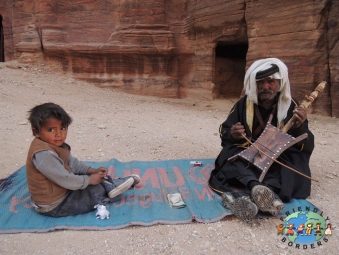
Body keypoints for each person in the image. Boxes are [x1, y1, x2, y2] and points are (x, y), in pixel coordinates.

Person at [208, 58, 314, 221]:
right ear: (254, 84)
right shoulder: (243, 104)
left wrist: (300, 127)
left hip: (277, 156)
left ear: (279, 83)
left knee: (296, 166)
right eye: (261, 82)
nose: (265, 87)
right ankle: (256, 188)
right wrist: (233, 133)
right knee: (228, 155)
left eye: (270, 81)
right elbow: (225, 131)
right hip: (250, 155)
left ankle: (254, 197)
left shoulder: (291, 106)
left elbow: (306, 145)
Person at [26, 102, 140, 217]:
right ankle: (110, 189)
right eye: (51, 130)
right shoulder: (44, 154)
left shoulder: (53, 144)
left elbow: (73, 163)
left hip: (62, 191)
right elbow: (65, 179)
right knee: (91, 194)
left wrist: (91, 171)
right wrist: (89, 180)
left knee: (90, 181)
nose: (58, 134)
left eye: (63, 128)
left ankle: (109, 185)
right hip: (54, 205)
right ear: (36, 132)